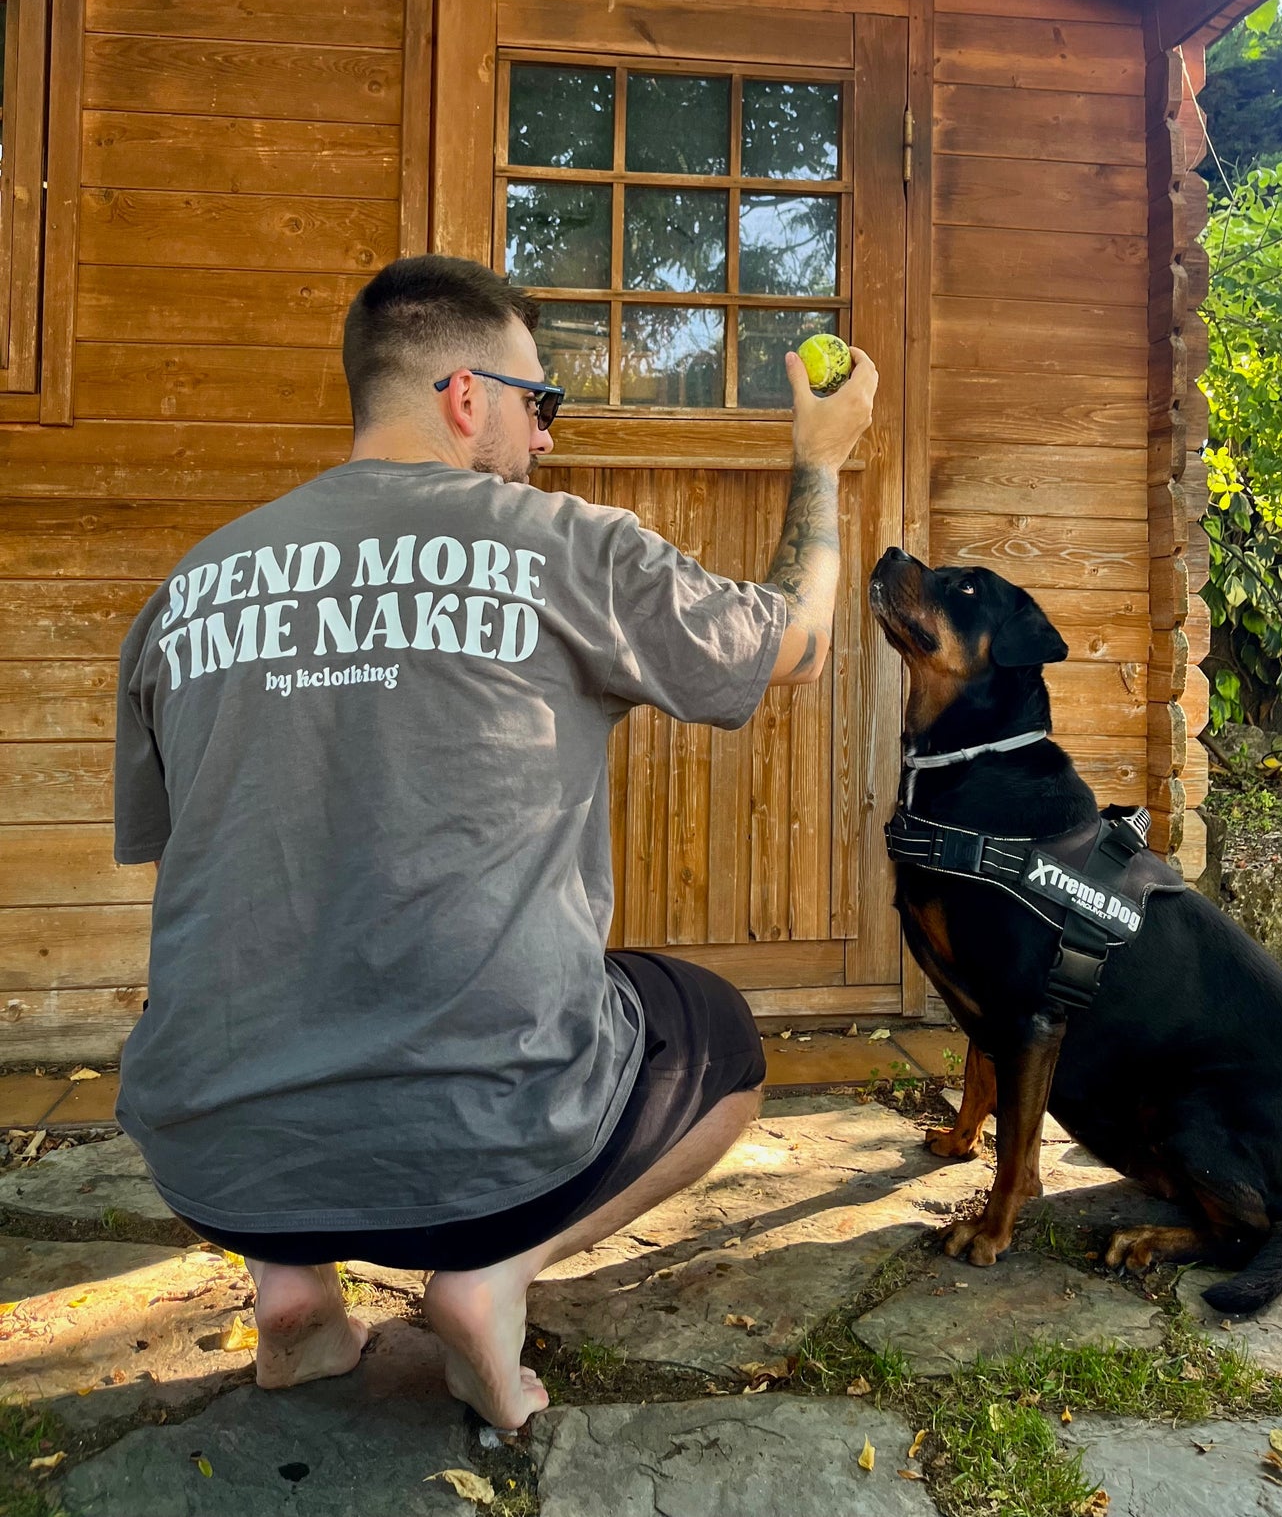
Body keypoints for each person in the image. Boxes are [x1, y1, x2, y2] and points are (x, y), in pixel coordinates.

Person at [112, 254, 877, 1429]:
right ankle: (488, 1278)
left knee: (265, 996)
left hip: (217, 1163)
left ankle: (291, 1291)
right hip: (493, 1151)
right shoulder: (566, 544)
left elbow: (194, 872)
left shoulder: (188, 589)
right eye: (540, 404)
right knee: (717, 1034)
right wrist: (817, 462)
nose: (546, 440)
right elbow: (798, 642)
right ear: (465, 396)